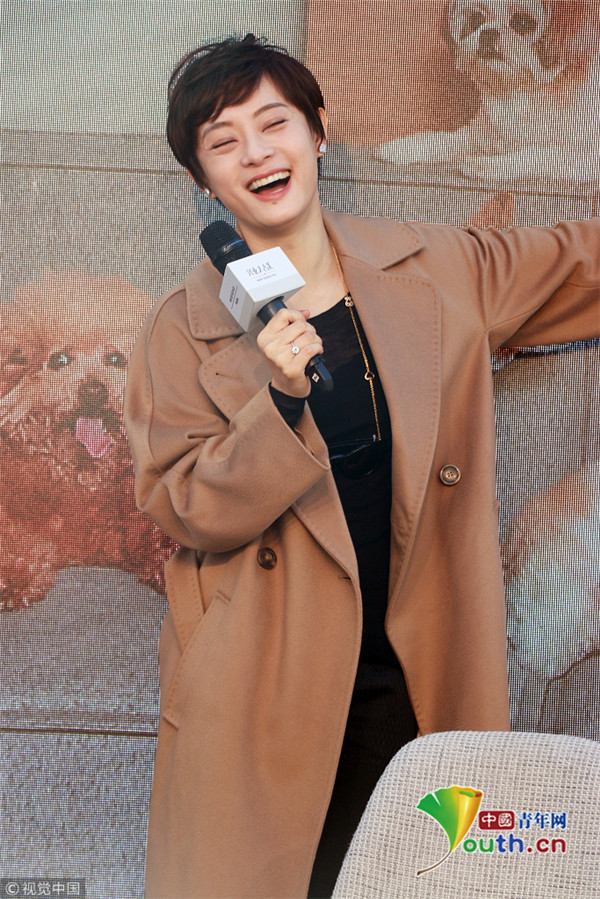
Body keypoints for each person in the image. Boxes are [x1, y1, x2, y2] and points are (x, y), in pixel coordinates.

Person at [123, 33, 599, 899]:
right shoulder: (182, 328)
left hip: (416, 669)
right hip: (266, 681)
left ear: (318, 134)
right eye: (224, 141)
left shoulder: (437, 267)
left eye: (274, 123)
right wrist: (279, 401)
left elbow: (579, 263)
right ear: (203, 179)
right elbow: (187, 505)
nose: (256, 151)